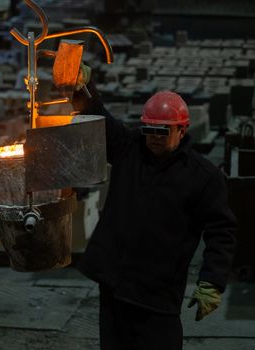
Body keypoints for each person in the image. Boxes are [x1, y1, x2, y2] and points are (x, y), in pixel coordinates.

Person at [72, 64, 237, 350]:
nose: (155, 137)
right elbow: (100, 119)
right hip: (114, 282)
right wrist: (83, 88)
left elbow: (221, 230)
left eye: (163, 131)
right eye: (149, 129)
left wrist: (212, 281)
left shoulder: (203, 177)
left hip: (157, 291)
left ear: (182, 130)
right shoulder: (130, 148)